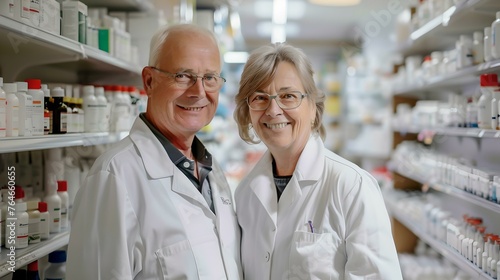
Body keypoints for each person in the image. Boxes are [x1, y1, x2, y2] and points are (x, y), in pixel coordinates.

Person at [67, 24, 242, 280]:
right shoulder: (114, 177)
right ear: (149, 81)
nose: (199, 92)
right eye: (183, 75)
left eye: (210, 78)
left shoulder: (212, 171)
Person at [233, 43, 402, 280]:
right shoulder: (245, 195)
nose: (273, 110)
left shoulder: (352, 187)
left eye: (288, 96)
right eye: (260, 98)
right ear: (247, 110)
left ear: (313, 107)